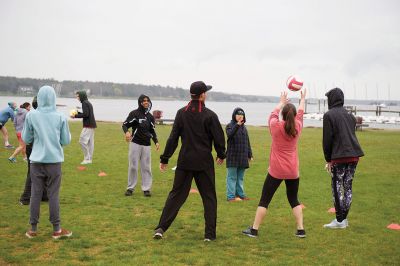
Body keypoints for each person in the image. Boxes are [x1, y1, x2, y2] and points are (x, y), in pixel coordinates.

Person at [154, 81, 226, 241]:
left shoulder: (181, 113)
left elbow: (173, 138)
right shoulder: (210, 115)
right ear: (202, 95)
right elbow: (219, 138)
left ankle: (160, 228)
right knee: (209, 197)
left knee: (176, 195)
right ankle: (209, 235)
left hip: (185, 161)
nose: (206, 94)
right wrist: (221, 154)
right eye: (205, 92)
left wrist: (165, 158)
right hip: (203, 163)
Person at [242, 89, 307, 238]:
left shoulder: (275, 126)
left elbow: (272, 114)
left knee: (264, 200)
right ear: (294, 115)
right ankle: (301, 229)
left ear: (283, 114)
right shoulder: (297, 126)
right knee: (294, 199)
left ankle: (254, 230)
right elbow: (301, 112)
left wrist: (282, 102)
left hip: (276, 170)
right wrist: (302, 98)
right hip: (292, 171)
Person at [22, 86, 72, 239]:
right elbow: (66, 140)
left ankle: (33, 229)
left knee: (35, 194)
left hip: (36, 161)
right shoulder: (60, 116)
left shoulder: (31, 115)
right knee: (53, 195)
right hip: (54, 161)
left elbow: (26, 138)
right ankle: (57, 230)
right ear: (53, 98)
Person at [322, 88, 364, 229]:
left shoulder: (329, 115)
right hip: (354, 155)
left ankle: (340, 221)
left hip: (339, 157)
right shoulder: (350, 116)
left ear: (331, 99)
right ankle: (343, 219)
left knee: (337, 187)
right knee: (348, 186)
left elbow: (327, 139)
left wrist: (328, 159)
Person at [122, 94, 160, 197]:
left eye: (147, 100)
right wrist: (127, 133)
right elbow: (125, 124)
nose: (146, 102)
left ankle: (146, 189)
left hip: (146, 145)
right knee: (133, 166)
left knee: (146, 167)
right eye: (143, 101)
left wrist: (156, 141)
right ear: (140, 102)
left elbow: (152, 131)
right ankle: (130, 188)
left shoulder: (150, 117)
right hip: (135, 143)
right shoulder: (134, 114)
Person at [19, 97, 48, 205]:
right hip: (37, 146)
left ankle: (44, 195)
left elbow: (25, 136)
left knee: (42, 171)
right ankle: (25, 198)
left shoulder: (31, 115)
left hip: (33, 146)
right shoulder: (36, 115)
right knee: (33, 172)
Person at [225, 107, 253, 201]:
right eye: (238, 115)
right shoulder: (229, 126)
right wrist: (237, 125)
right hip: (232, 156)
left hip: (242, 157)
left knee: (240, 178)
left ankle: (240, 195)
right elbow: (230, 135)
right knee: (232, 177)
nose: (240, 116)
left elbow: (247, 141)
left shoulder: (244, 128)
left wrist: (250, 154)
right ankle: (230, 197)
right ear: (234, 115)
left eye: (242, 115)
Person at [71, 91, 97, 164]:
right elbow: (86, 113)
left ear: (81, 96)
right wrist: (78, 113)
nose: (77, 98)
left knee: (82, 141)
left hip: (88, 125)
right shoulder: (87, 102)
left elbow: (86, 114)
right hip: (92, 125)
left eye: (78, 96)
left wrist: (75, 116)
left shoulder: (84, 103)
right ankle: (89, 159)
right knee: (90, 143)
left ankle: (87, 158)